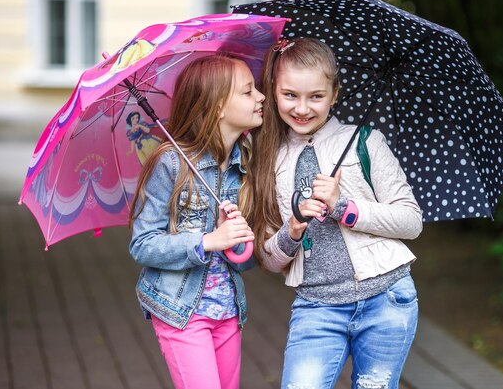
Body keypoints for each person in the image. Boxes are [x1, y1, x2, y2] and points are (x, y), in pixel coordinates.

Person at [251, 38, 423, 389]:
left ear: (335, 93)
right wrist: (293, 229)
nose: (302, 108)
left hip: (386, 299)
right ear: (272, 91)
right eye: (290, 95)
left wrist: (343, 207)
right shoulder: (268, 158)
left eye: (316, 96)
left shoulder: (365, 141)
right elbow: (269, 259)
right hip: (317, 308)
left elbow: (411, 221)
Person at [129, 54, 264, 389]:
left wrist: (239, 240)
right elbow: (142, 245)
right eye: (248, 92)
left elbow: (244, 263)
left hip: (228, 310)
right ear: (217, 105)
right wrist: (207, 241)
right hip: (181, 311)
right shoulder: (171, 164)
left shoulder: (244, 165)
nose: (261, 97)